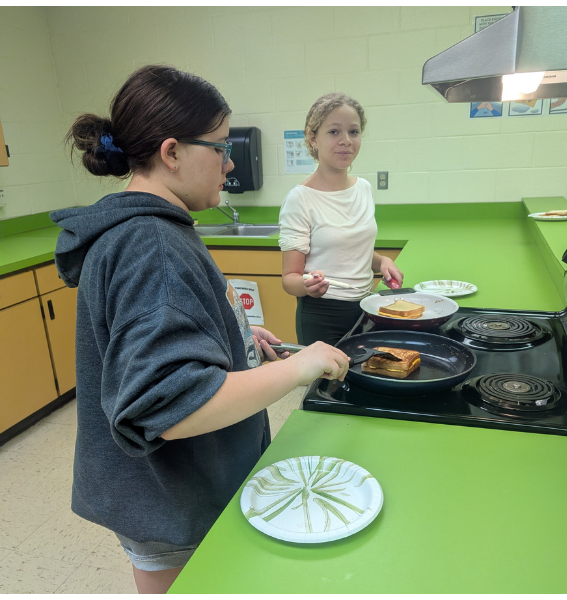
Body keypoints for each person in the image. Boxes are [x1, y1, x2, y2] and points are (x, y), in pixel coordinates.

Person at [50, 65, 349, 594]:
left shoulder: (143, 228)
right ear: (171, 152)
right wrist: (303, 367)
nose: (230, 163)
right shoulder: (151, 244)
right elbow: (172, 405)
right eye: (219, 147)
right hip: (173, 503)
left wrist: (233, 339)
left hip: (162, 493)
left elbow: (157, 336)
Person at [278, 92, 404, 346]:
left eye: (353, 132)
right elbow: (290, 278)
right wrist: (307, 285)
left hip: (367, 310)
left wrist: (381, 261)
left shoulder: (364, 189)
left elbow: (351, 252)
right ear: (313, 139)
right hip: (322, 317)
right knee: (327, 385)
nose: (346, 141)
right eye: (334, 132)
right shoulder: (300, 199)